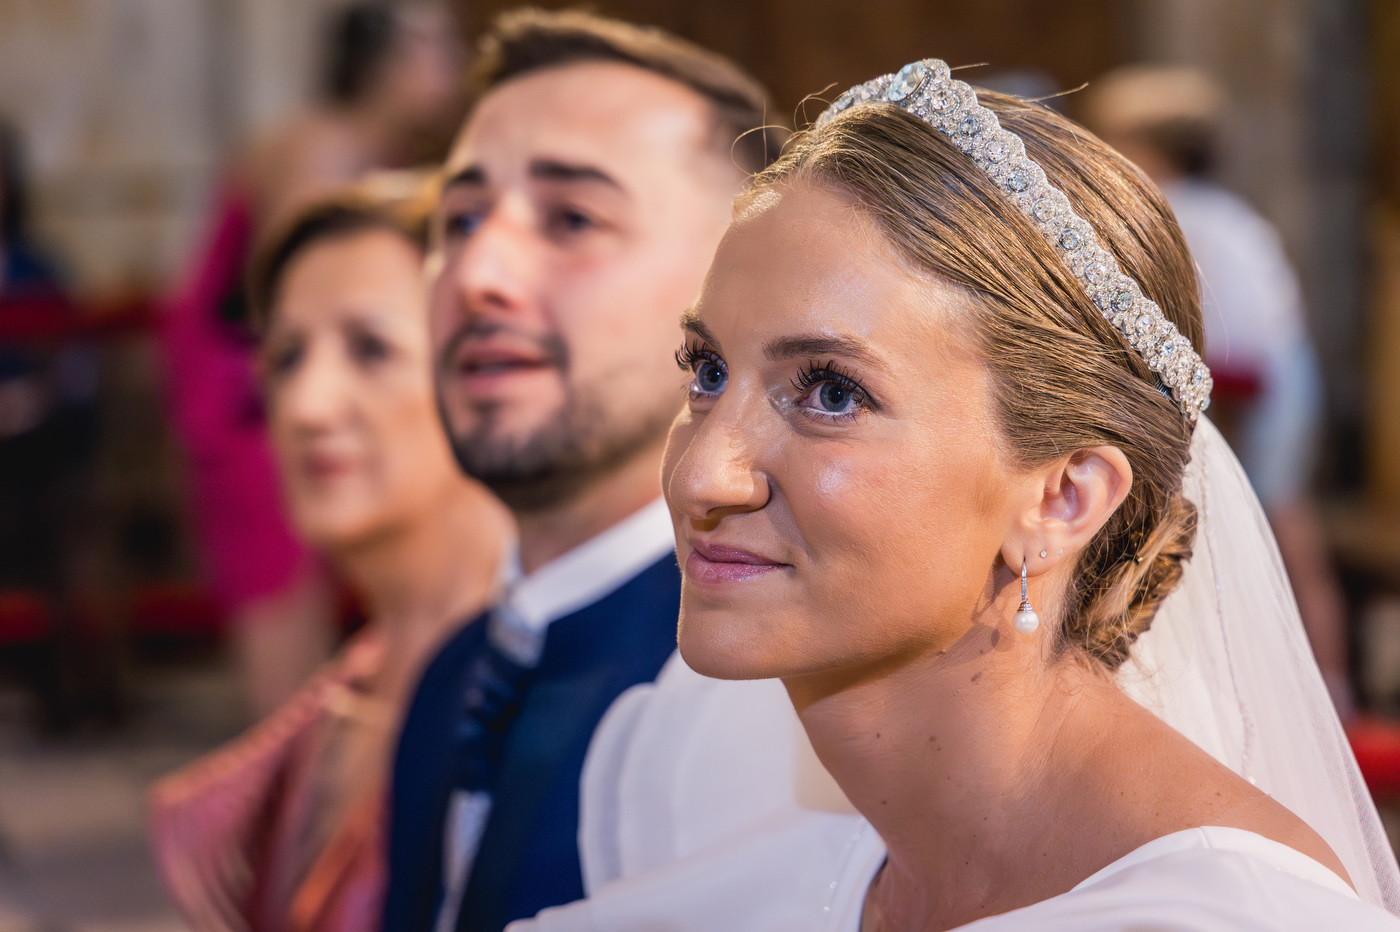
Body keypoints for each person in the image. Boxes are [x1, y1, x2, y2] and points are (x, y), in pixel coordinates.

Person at [516, 60, 1400, 930]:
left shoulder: (1231, 919)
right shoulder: (703, 832)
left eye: (831, 392)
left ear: (1062, 498)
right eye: (706, 371)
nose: (704, 474)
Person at [381, 11, 786, 932]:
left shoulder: (764, 702)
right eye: (460, 218)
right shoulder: (453, 672)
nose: (480, 269)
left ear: (741, 285)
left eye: (573, 217)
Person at [150, 185, 512, 932]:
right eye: (286, 357)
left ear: (496, 375)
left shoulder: (548, 695)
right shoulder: (334, 712)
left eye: (371, 348)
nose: (307, 405)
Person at [163, 0, 463, 718]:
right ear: (387, 59)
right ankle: (298, 810)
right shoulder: (322, 151)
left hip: (287, 385)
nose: (456, 59)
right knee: (286, 630)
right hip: (252, 406)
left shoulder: (375, 153)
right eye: (438, 44)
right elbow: (305, 308)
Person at [1081, 65, 1353, 715]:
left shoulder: (1183, 214)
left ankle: (1313, 691)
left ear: (1151, 150)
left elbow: (1222, 348)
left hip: (1244, 398)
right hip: (1265, 385)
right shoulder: (1227, 212)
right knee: (1285, 526)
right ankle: (1323, 686)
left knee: (1271, 527)